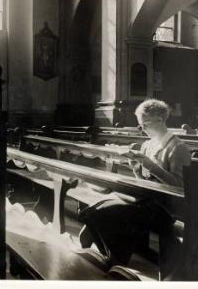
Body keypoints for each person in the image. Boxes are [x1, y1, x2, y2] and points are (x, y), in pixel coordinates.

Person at [78, 99, 191, 272]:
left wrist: (149, 164)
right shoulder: (147, 145)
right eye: (140, 125)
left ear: (160, 120)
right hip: (146, 199)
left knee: (113, 213)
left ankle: (115, 260)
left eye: (145, 124)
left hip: (164, 206)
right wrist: (136, 167)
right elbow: (144, 180)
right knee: (95, 210)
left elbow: (180, 187)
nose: (142, 129)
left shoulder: (178, 148)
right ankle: (105, 254)